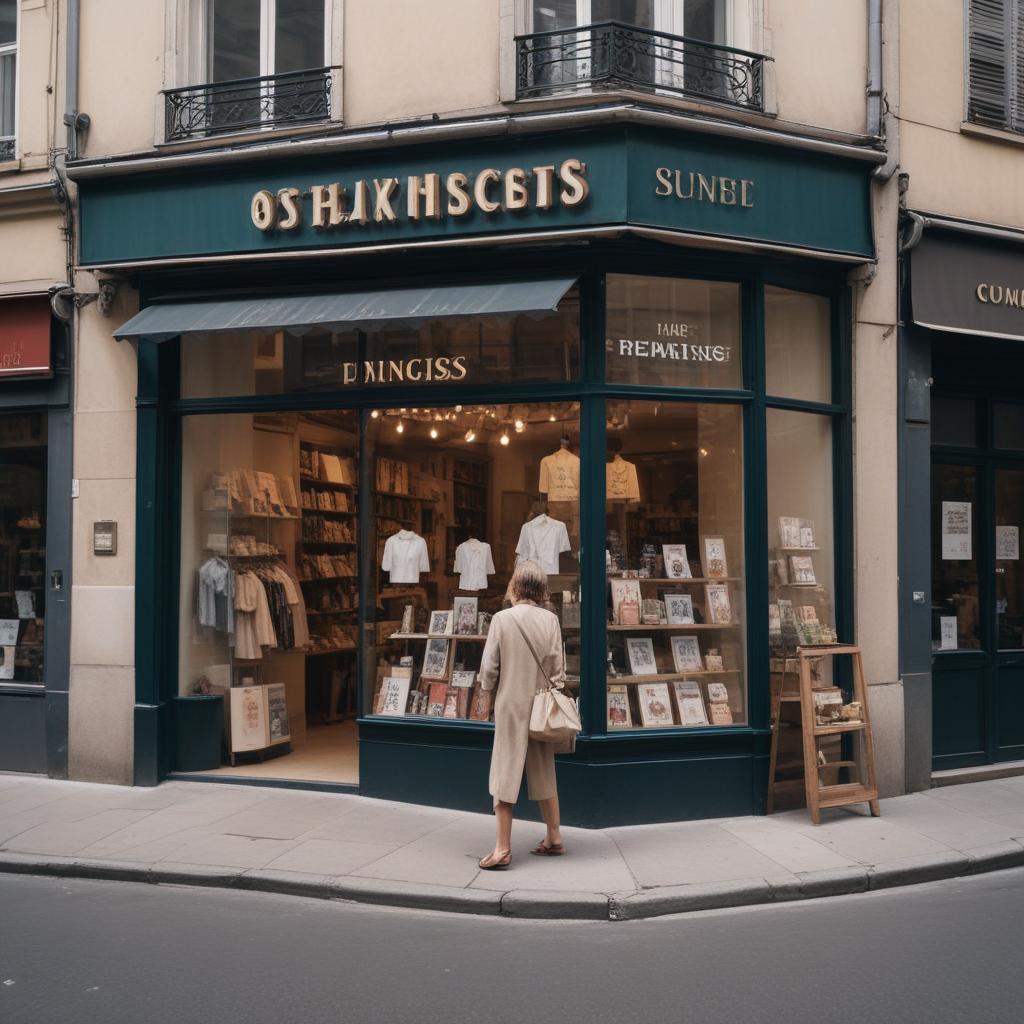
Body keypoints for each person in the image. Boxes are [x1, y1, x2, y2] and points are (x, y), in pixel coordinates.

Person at [476, 559, 566, 870]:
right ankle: (554, 836)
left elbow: (489, 669)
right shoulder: (550, 620)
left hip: (510, 704)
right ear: (542, 589)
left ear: (515, 585)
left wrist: (486, 693)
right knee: (544, 770)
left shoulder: (502, 619)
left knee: (504, 773)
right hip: (542, 705)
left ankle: (502, 848)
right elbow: (558, 672)